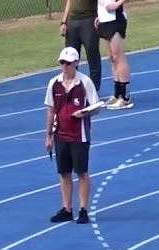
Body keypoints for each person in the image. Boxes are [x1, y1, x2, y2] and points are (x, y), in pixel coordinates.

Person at [46, 47, 102, 224]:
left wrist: (84, 114)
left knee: (82, 172)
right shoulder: (54, 83)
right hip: (60, 134)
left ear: (76, 63)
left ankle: (84, 209)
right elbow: (51, 110)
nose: (64, 67)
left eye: (68, 63)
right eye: (62, 63)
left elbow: (97, 107)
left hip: (80, 135)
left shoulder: (85, 83)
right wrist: (48, 135)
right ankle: (67, 208)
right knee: (63, 172)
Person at [61, 0, 101, 94]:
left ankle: (94, 87)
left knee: (92, 54)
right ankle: (72, 86)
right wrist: (64, 21)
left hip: (89, 19)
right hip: (72, 20)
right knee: (70, 55)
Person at [98, 0, 132, 109]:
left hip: (115, 19)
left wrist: (117, 4)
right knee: (112, 58)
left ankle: (125, 97)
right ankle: (117, 94)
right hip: (105, 19)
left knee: (118, 56)